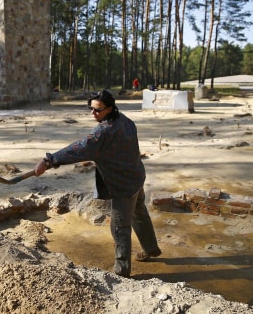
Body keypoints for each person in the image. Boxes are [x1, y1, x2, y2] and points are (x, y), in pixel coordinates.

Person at [33, 90, 161, 278]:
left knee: (119, 228)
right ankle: (151, 249)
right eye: (91, 108)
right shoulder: (125, 120)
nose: (93, 113)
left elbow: (79, 148)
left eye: (97, 110)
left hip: (122, 185)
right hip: (136, 176)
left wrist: (48, 161)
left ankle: (122, 272)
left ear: (109, 109)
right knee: (139, 212)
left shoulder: (103, 132)